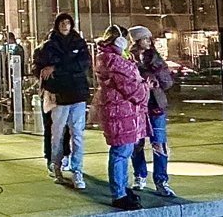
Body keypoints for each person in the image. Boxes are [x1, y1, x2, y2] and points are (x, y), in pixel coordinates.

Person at [96, 25, 149, 211]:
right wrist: (145, 90)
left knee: (123, 152)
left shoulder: (115, 59)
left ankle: (122, 190)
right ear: (119, 40)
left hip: (123, 114)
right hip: (120, 113)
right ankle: (119, 194)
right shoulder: (114, 61)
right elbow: (132, 87)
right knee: (120, 153)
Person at [38, 13, 91, 190]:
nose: (65, 25)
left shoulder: (79, 42)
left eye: (68, 22)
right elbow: (42, 67)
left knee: (77, 134)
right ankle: (56, 165)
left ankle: (77, 170)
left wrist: (57, 68)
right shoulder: (49, 45)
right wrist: (59, 69)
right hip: (59, 94)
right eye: (62, 23)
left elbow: (82, 64)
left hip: (77, 94)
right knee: (57, 134)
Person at [128, 26, 176, 198]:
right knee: (136, 144)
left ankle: (161, 181)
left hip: (156, 105)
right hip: (138, 106)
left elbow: (168, 82)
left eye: (149, 38)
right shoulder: (128, 58)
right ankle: (139, 175)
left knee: (159, 143)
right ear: (137, 40)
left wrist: (157, 75)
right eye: (145, 38)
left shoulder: (156, 58)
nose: (149, 41)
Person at [33, 43, 70, 174]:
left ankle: (63, 155)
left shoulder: (66, 52)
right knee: (51, 127)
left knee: (64, 127)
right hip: (50, 94)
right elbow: (37, 71)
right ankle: (52, 157)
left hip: (63, 92)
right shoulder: (41, 52)